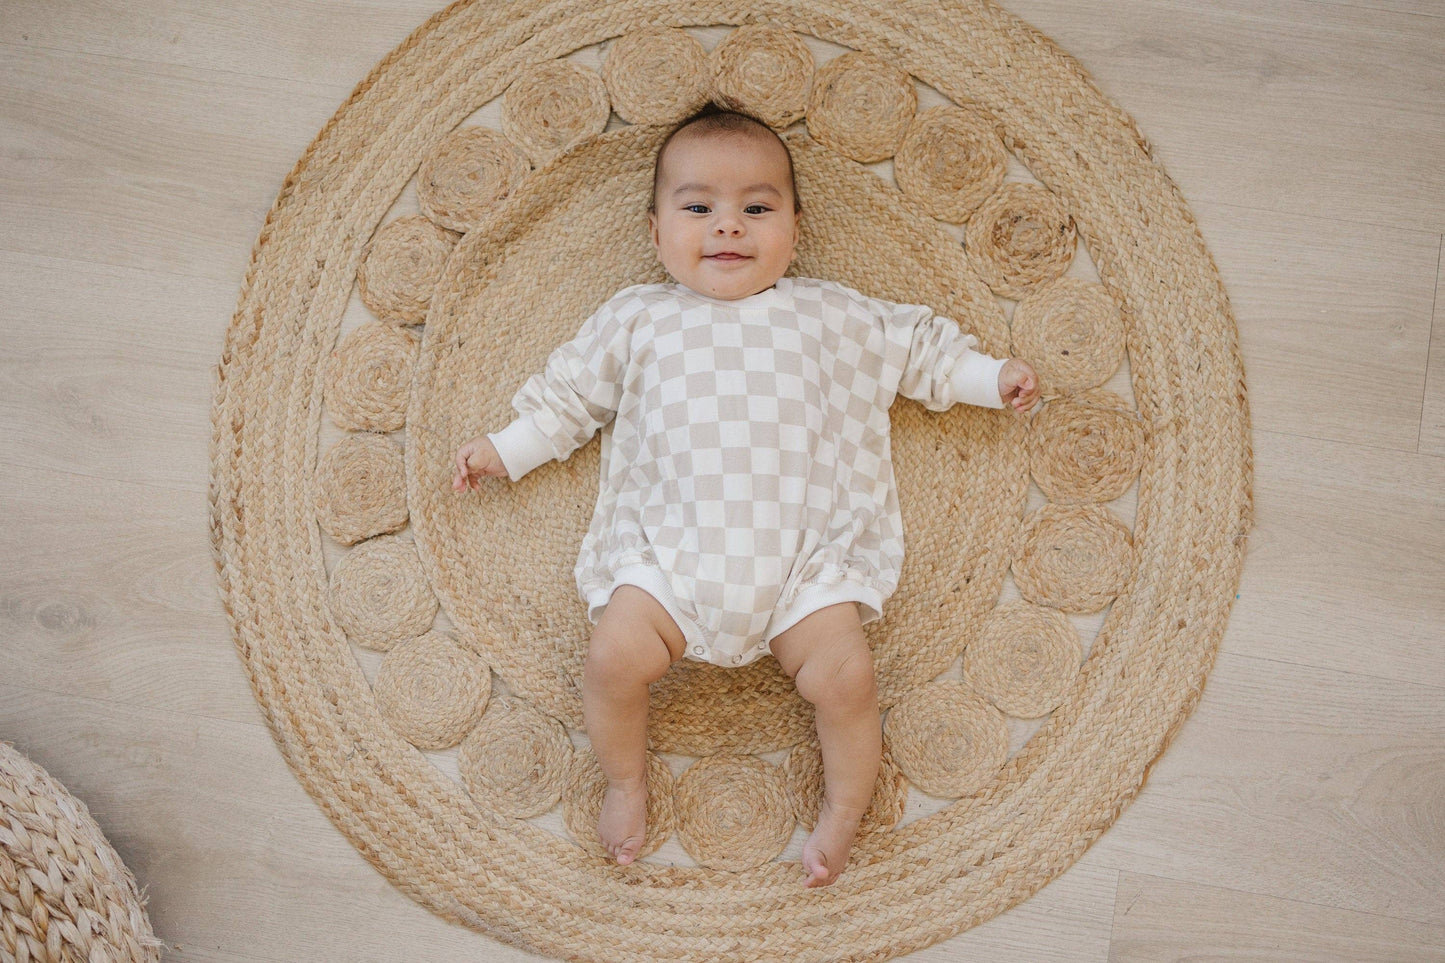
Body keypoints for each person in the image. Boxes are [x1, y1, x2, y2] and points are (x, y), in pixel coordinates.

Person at [452, 105, 1040, 887]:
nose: (727, 227)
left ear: (794, 228)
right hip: (669, 560)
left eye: (756, 209)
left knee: (846, 679)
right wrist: (505, 448)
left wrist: (985, 377)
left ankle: (842, 806)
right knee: (609, 659)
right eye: (698, 208)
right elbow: (567, 400)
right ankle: (626, 781)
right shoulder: (637, 320)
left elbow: (916, 350)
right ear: (656, 232)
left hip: (805, 569)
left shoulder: (829, 315)